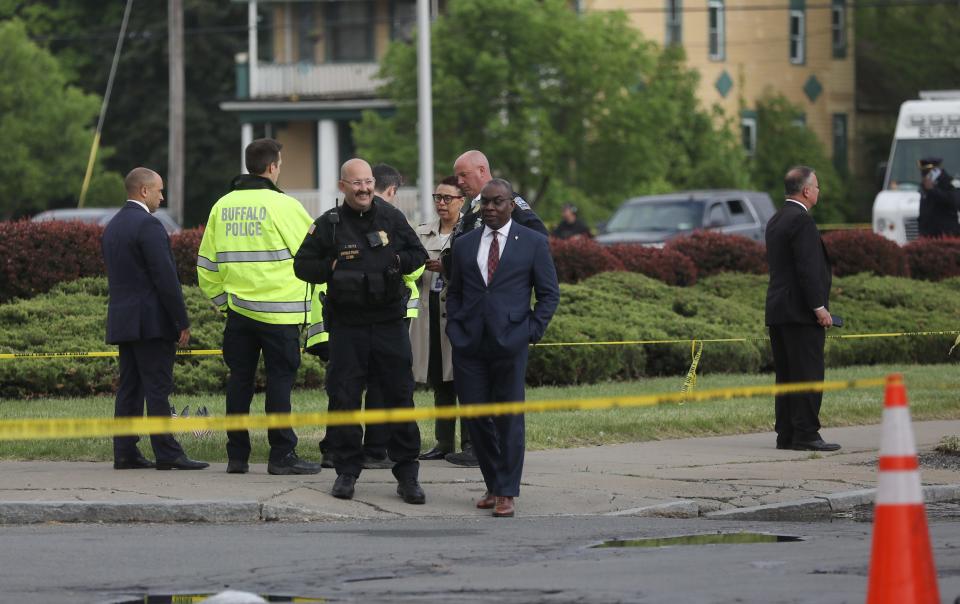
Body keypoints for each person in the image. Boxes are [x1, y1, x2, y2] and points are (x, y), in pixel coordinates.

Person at [293, 158, 429, 504]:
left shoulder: (391, 217)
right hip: (348, 327)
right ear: (343, 187)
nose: (365, 188)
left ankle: (408, 474)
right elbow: (302, 266)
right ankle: (346, 472)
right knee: (344, 399)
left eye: (368, 181)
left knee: (399, 397)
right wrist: (332, 266)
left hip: (388, 324)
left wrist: (396, 262)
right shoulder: (329, 224)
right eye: (356, 183)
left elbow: (418, 254)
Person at [197, 138, 321, 476]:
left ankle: (237, 457)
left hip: (239, 314)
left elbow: (206, 266)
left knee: (239, 382)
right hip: (280, 315)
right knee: (280, 384)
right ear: (272, 167)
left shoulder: (221, 206)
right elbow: (314, 255)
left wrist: (226, 305)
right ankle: (281, 455)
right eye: (279, 164)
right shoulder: (284, 206)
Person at [445, 178, 560, 518]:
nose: (491, 209)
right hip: (469, 344)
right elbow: (455, 291)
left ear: (511, 204)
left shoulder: (534, 243)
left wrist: (531, 330)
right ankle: (493, 483)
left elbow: (549, 294)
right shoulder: (465, 244)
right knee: (477, 418)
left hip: (511, 342)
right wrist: (454, 326)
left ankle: (507, 491)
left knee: (509, 420)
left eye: (498, 202)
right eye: (486, 203)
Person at [440, 150, 549, 467]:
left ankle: (494, 460)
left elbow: (536, 238)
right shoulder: (474, 208)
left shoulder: (508, 201)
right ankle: (476, 446)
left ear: (482, 169)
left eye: (463, 175)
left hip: (504, 320)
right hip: (470, 316)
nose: (458, 182)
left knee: (502, 398)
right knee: (472, 389)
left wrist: (529, 327)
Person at [102, 167, 208, 471]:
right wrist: (181, 320)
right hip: (151, 322)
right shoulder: (148, 226)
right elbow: (166, 279)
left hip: (124, 320)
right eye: (159, 190)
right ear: (143, 191)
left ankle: (125, 451)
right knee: (158, 388)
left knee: (129, 389)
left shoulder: (113, 227)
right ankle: (168, 452)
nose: (162, 196)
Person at [765, 166, 840, 452]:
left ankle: (786, 433)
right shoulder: (802, 221)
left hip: (778, 310)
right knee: (808, 372)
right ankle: (807, 433)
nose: (819, 191)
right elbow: (808, 270)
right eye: (817, 186)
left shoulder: (776, 219)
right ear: (806, 191)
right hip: (801, 312)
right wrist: (819, 308)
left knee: (786, 375)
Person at [355, 163, 423, 469]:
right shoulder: (392, 218)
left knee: (354, 384)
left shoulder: (341, 217)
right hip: (391, 313)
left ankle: (353, 450)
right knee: (389, 384)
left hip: (351, 314)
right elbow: (417, 260)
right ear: (391, 190)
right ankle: (378, 449)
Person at [411, 176, 472, 462]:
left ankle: (470, 444)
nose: (442, 203)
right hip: (429, 316)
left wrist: (447, 268)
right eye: (438, 197)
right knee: (440, 380)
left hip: (459, 317)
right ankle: (443, 442)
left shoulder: (471, 232)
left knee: (464, 380)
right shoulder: (422, 233)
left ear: (462, 201)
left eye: (448, 198)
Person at [917, 157, 960, 238]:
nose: (924, 175)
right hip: (927, 235)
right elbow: (924, 212)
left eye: (927, 172)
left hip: (946, 236)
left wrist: (933, 190)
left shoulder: (950, 183)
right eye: (923, 172)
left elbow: (955, 202)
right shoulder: (924, 186)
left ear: (936, 171)